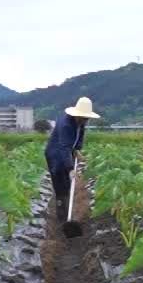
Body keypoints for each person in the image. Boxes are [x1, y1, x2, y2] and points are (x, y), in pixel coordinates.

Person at [44, 96, 99, 225]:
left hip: (67, 152)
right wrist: (70, 169)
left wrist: (77, 150)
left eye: (87, 118)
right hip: (55, 155)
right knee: (60, 183)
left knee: (68, 184)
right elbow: (64, 148)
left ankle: (66, 209)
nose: (85, 120)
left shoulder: (81, 123)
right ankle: (61, 218)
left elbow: (79, 138)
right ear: (77, 115)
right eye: (84, 118)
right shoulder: (66, 124)